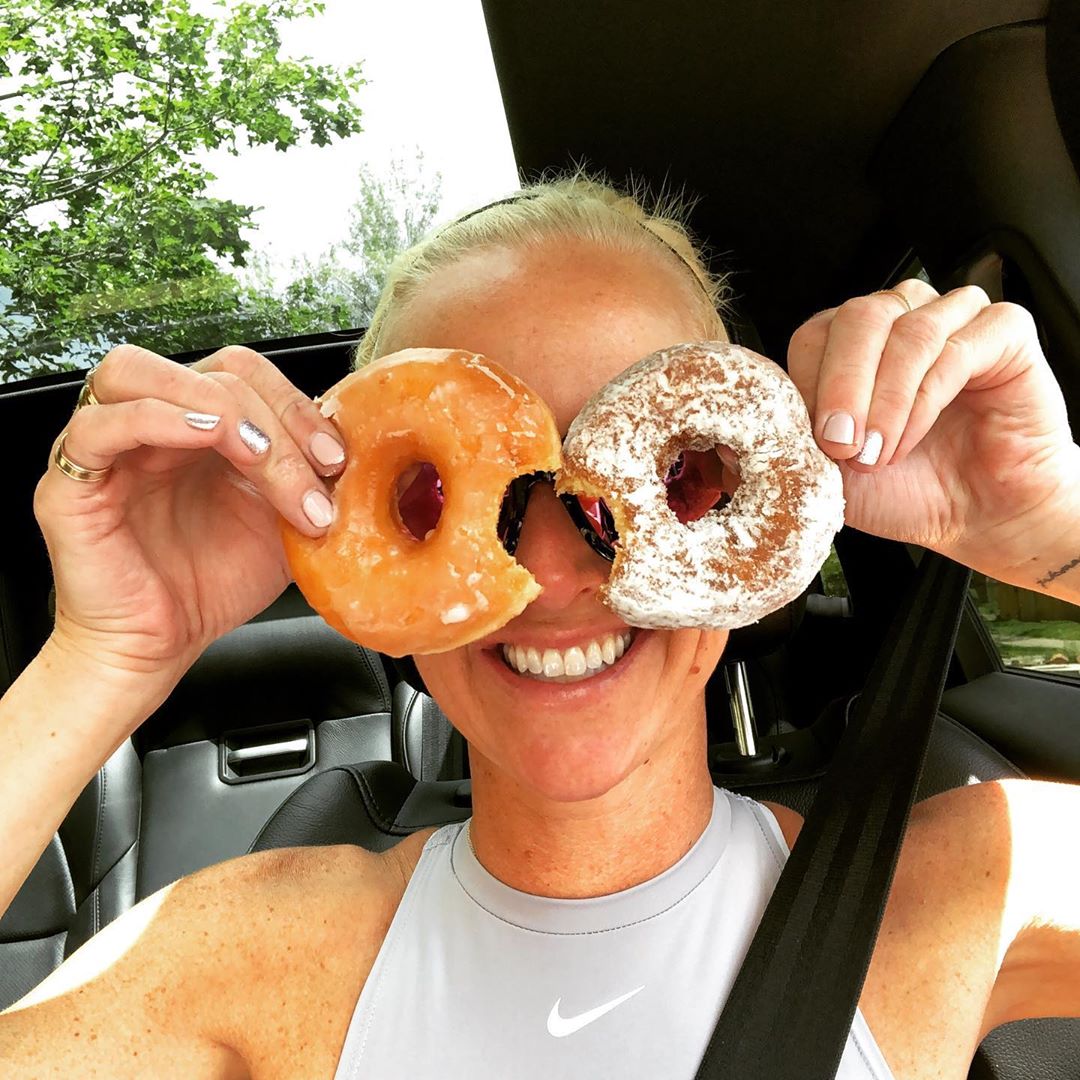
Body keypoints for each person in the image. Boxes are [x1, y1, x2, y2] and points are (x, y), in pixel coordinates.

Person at [1, 174, 1079, 1079]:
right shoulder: (248, 952)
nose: (554, 576)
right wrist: (106, 656)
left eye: (673, 481)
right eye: (439, 499)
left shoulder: (964, 888)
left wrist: (1057, 531)